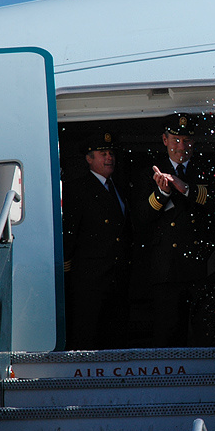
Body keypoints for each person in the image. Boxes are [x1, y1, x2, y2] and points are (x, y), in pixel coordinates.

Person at [134, 113, 215, 347]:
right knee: (169, 332)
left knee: (206, 332)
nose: (181, 146)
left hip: (204, 265)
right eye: (175, 140)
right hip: (169, 267)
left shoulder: (210, 165)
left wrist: (186, 189)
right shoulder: (149, 171)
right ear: (164, 140)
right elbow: (142, 217)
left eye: (186, 140)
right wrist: (163, 192)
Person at [61, 131, 132, 350]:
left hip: (116, 276)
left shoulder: (118, 186)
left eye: (111, 153)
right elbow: (70, 233)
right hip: (89, 279)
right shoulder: (77, 189)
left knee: (113, 336)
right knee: (87, 335)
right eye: (102, 153)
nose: (109, 157)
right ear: (89, 159)